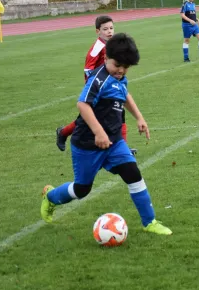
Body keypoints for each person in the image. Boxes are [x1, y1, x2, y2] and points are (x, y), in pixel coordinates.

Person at [41, 33, 172, 235]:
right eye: (117, 65)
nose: (121, 71)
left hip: (114, 142)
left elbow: (124, 94)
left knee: (133, 175)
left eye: (125, 67)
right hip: (87, 144)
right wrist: (98, 132)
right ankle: (50, 196)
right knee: (82, 190)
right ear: (105, 59)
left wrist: (139, 117)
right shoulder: (98, 79)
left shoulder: (120, 77)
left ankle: (149, 222)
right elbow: (82, 105)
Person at [56, 16, 134, 155]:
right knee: (85, 119)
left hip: (111, 86)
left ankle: (124, 148)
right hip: (98, 88)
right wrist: (95, 84)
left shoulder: (111, 45)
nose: (109, 32)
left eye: (111, 28)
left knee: (119, 113)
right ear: (98, 31)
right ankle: (63, 132)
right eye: (105, 29)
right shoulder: (98, 46)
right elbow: (88, 67)